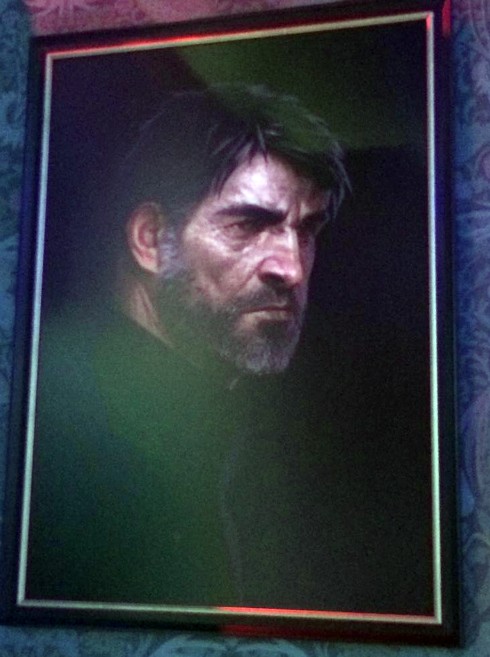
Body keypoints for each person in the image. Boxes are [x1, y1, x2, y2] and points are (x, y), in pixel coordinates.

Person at [26, 85, 433, 616]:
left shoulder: (257, 433)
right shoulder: (47, 427)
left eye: (306, 230)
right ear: (150, 239)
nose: (291, 268)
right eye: (248, 225)